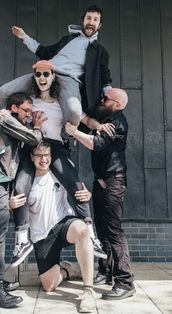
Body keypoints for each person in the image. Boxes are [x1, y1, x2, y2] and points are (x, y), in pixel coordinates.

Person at [9, 60, 107, 268]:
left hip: (56, 147)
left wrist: (99, 126)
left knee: (77, 186)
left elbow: (86, 119)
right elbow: (14, 111)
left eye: (46, 74)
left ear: (53, 77)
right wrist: (6, 114)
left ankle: (90, 235)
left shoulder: (62, 103)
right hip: (32, 147)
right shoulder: (31, 101)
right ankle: (21, 240)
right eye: (38, 75)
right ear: (34, 78)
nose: (42, 79)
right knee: (19, 188)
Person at [65, 88, 136, 300]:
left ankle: (125, 281)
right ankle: (105, 271)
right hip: (102, 181)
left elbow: (97, 144)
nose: (101, 100)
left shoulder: (117, 123)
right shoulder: (105, 117)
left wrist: (74, 132)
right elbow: (86, 115)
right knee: (102, 231)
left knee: (113, 231)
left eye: (105, 98)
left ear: (115, 104)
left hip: (113, 182)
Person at [10, 140, 96, 313]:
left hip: (64, 224)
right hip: (41, 236)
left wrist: (87, 193)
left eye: (46, 156)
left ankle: (88, 291)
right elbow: (14, 207)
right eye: (39, 156)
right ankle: (67, 270)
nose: (43, 160)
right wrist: (9, 205)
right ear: (31, 157)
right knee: (48, 286)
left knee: (82, 230)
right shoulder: (26, 182)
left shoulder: (61, 174)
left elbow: (79, 190)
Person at [0, 92, 46, 308]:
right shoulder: (5, 119)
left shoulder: (9, 122)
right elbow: (35, 139)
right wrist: (36, 126)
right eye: (26, 110)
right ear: (14, 108)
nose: (29, 114)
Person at [0, 5, 112, 127]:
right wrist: (24, 37)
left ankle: (64, 136)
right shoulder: (68, 39)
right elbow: (45, 52)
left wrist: (110, 94)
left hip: (69, 80)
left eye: (95, 19)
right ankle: (17, 125)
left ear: (99, 25)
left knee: (74, 113)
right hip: (47, 72)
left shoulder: (100, 52)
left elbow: (105, 77)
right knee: (3, 92)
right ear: (83, 20)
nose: (91, 22)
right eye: (88, 18)